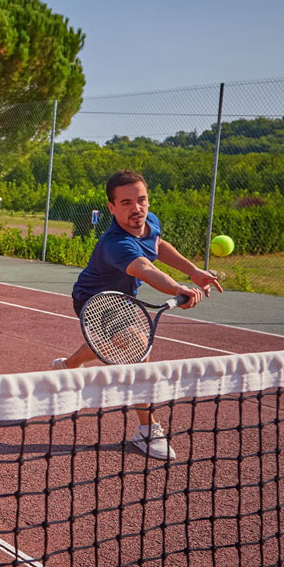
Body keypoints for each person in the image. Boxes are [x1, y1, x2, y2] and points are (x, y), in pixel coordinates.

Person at [52, 169, 222, 460]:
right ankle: (147, 430)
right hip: (94, 300)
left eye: (141, 200)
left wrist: (193, 271)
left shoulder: (148, 221)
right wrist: (177, 289)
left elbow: (157, 245)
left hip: (124, 300)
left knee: (109, 345)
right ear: (112, 207)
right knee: (136, 352)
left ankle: (67, 365)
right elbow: (146, 269)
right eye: (127, 203)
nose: (137, 209)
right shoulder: (115, 243)